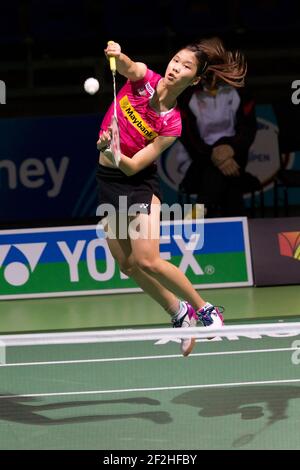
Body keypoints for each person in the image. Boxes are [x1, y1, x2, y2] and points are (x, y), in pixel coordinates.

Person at [96, 39, 246, 356]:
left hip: (137, 182)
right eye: (176, 59)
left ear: (193, 81)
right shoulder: (144, 79)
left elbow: (135, 164)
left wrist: (114, 150)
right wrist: (117, 53)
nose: (176, 66)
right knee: (127, 265)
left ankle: (206, 310)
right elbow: (128, 65)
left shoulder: (172, 123)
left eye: (186, 66)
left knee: (147, 259)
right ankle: (179, 313)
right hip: (108, 179)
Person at [178, 37, 257, 217]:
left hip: (235, 154)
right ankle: (238, 226)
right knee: (227, 183)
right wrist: (213, 154)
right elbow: (189, 138)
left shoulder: (240, 91)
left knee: (218, 176)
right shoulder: (186, 96)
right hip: (200, 157)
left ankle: (200, 210)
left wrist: (229, 148)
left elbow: (248, 129)